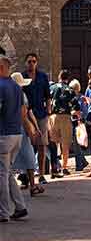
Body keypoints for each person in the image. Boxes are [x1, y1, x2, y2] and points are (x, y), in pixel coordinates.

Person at [0, 54, 34, 222]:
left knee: (2, 175)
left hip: (4, 134)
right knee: (7, 174)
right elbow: (23, 112)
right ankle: (20, 207)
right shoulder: (16, 87)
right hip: (17, 135)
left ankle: (3, 212)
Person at [10, 72, 43, 196]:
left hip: (10, 128)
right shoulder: (21, 96)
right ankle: (32, 186)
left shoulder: (9, 95)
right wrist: (32, 129)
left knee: (9, 159)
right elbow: (26, 114)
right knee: (28, 156)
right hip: (21, 129)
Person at [21, 52, 51, 184]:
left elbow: (48, 96)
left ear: (37, 63)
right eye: (29, 61)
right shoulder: (22, 77)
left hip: (41, 114)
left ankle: (42, 174)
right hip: (26, 115)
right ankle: (27, 174)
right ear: (25, 63)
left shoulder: (43, 77)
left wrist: (49, 111)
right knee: (28, 146)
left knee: (42, 145)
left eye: (33, 61)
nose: (31, 64)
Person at [48, 70, 80, 176]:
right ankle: (64, 167)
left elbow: (46, 102)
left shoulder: (51, 88)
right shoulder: (70, 90)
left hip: (52, 117)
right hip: (66, 118)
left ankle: (54, 167)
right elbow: (76, 107)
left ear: (59, 77)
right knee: (65, 145)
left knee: (53, 143)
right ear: (67, 78)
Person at [68, 79, 89, 172]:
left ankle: (79, 165)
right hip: (72, 123)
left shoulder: (81, 98)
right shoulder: (70, 98)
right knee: (76, 144)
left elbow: (84, 111)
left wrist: (77, 114)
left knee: (77, 144)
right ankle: (83, 162)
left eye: (72, 89)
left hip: (79, 123)